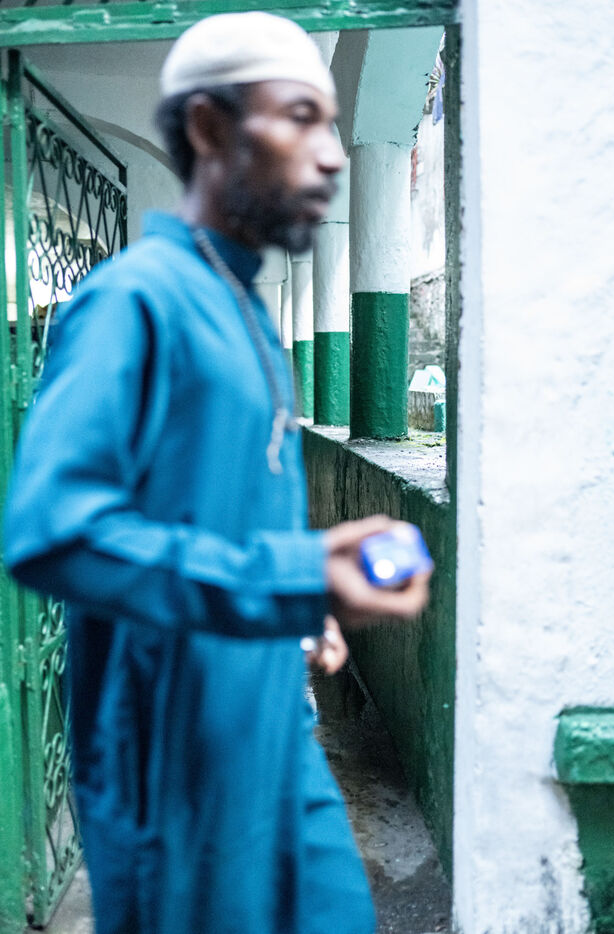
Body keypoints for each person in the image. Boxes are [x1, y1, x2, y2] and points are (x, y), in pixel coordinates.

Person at [3, 13, 431, 934]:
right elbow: (52, 530)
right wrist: (294, 577)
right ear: (207, 127)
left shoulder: (242, 317)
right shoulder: (133, 302)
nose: (331, 155)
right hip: (175, 768)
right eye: (299, 118)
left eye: (333, 126)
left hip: (275, 723)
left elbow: (219, 523)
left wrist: (302, 611)